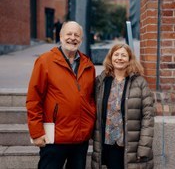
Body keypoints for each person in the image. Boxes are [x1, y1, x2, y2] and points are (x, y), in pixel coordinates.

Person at [26, 21, 96, 169]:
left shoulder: (88, 64)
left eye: (77, 35)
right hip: (55, 137)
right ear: (61, 36)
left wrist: (90, 124)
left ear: (81, 39)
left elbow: (90, 98)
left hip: (80, 137)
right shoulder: (45, 61)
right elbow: (34, 99)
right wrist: (36, 132)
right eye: (69, 34)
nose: (73, 38)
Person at [91, 43, 155, 169]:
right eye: (116, 54)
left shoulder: (139, 83)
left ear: (130, 60)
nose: (119, 58)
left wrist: (144, 147)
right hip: (107, 144)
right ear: (110, 58)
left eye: (123, 55)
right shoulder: (101, 81)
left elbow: (148, 117)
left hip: (130, 145)